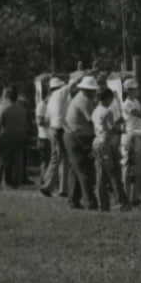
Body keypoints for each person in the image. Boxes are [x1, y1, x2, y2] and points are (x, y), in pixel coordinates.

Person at [92, 87, 131, 212]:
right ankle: (122, 203)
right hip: (105, 144)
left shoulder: (96, 110)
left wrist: (116, 123)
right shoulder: (107, 111)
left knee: (101, 176)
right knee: (113, 174)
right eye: (111, 99)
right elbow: (113, 130)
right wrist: (122, 130)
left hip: (97, 143)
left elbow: (106, 125)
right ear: (107, 98)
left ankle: (103, 205)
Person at [63, 74, 100, 210]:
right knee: (84, 170)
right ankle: (91, 202)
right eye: (93, 90)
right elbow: (93, 121)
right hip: (77, 137)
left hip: (74, 136)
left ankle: (73, 199)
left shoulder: (81, 98)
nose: (94, 92)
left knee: (76, 169)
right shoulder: (84, 101)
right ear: (87, 90)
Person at [41, 76, 70, 197]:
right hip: (59, 130)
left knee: (60, 158)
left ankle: (62, 189)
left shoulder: (51, 100)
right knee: (58, 158)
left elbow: (46, 120)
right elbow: (73, 84)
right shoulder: (60, 93)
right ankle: (47, 185)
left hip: (53, 130)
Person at [0, 86, 28, 190]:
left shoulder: (5, 109)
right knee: (17, 161)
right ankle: (15, 183)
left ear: (9, 98)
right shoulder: (22, 110)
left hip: (7, 136)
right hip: (19, 136)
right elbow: (25, 126)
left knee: (1, 160)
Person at [121, 78, 141, 205]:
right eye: (135, 89)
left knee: (135, 167)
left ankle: (133, 197)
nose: (137, 90)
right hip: (131, 136)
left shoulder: (135, 101)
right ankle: (125, 196)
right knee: (128, 166)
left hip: (137, 135)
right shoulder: (127, 104)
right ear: (130, 91)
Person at [35, 80, 52, 184]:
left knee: (48, 160)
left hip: (48, 137)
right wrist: (52, 121)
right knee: (46, 160)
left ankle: (45, 179)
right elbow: (40, 122)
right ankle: (45, 180)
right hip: (44, 138)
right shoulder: (42, 106)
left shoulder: (48, 105)